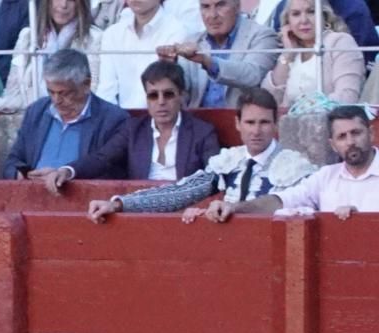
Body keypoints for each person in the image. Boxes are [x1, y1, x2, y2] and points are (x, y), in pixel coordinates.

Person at [86, 86, 315, 218]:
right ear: (237, 124)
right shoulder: (229, 161)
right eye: (250, 122)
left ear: (276, 124)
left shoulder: (294, 167)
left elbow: (285, 207)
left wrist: (234, 209)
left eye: (264, 122)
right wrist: (119, 204)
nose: (256, 131)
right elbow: (179, 193)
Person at [45, 59, 219, 189]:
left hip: (186, 209)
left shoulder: (202, 132)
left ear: (181, 96)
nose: (161, 102)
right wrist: (68, 170)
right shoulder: (133, 129)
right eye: (153, 95)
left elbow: (214, 177)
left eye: (168, 94)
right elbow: (101, 158)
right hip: (139, 207)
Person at [202, 104, 379, 220]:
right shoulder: (325, 177)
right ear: (332, 145)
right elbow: (280, 201)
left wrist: (362, 222)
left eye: (356, 133)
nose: (350, 142)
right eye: (342, 137)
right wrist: (234, 207)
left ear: (371, 134)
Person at [0, 49, 128, 179]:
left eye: (64, 93)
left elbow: (107, 169)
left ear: (86, 84)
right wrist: (21, 175)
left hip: (82, 196)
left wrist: (64, 176)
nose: (56, 101)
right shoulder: (37, 111)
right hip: (33, 192)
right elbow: (12, 161)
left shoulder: (112, 119)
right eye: (51, 92)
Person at [155, 0, 277, 107]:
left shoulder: (262, 36)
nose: (212, 15)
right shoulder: (192, 41)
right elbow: (184, 94)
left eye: (220, 5)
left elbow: (252, 75)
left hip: (242, 124)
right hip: (198, 124)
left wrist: (208, 62)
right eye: (206, 7)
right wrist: (170, 69)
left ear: (237, 6)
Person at [262, 0, 363, 109]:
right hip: (289, 123)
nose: (304, 20)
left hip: (328, 122)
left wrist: (301, 112)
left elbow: (347, 97)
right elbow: (266, 101)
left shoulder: (340, 42)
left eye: (311, 12)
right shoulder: (292, 50)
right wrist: (288, 54)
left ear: (324, 16)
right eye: (296, 14)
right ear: (288, 21)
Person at [2, 0, 101, 107]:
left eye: (71, 0)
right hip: (30, 115)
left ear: (81, 4)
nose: (64, 5)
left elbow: (92, 91)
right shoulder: (27, 36)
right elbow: (13, 92)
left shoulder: (94, 39)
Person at [96, 0, 194, 107]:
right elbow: (106, 91)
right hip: (119, 118)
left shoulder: (177, 31)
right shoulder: (112, 34)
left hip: (160, 116)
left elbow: (183, 90)